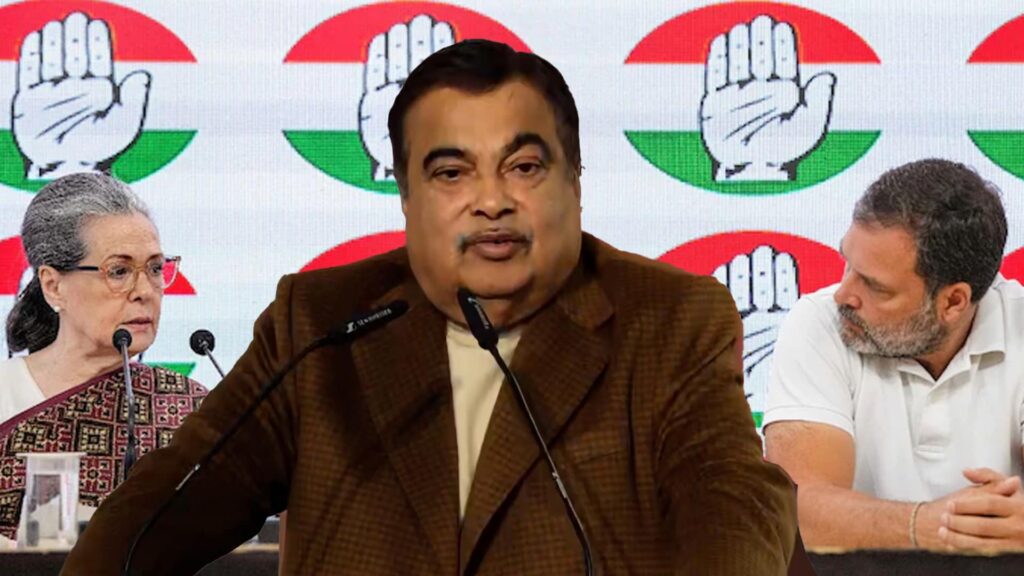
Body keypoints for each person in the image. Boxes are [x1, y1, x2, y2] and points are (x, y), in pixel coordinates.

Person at [63, 40, 797, 575]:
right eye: (451, 172)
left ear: (575, 182)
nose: (491, 200)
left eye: (524, 166)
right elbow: (171, 502)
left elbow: (731, 495)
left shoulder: (670, 320)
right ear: (407, 198)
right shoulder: (320, 323)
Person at [764, 159, 1024, 552]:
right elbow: (793, 510)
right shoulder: (819, 321)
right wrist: (925, 525)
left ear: (953, 302)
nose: (843, 295)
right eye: (848, 264)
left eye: (875, 286)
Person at [0, 173, 207, 546]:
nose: (145, 291)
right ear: (53, 285)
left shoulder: (191, 410)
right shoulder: (5, 393)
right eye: (119, 271)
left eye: (155, 269)